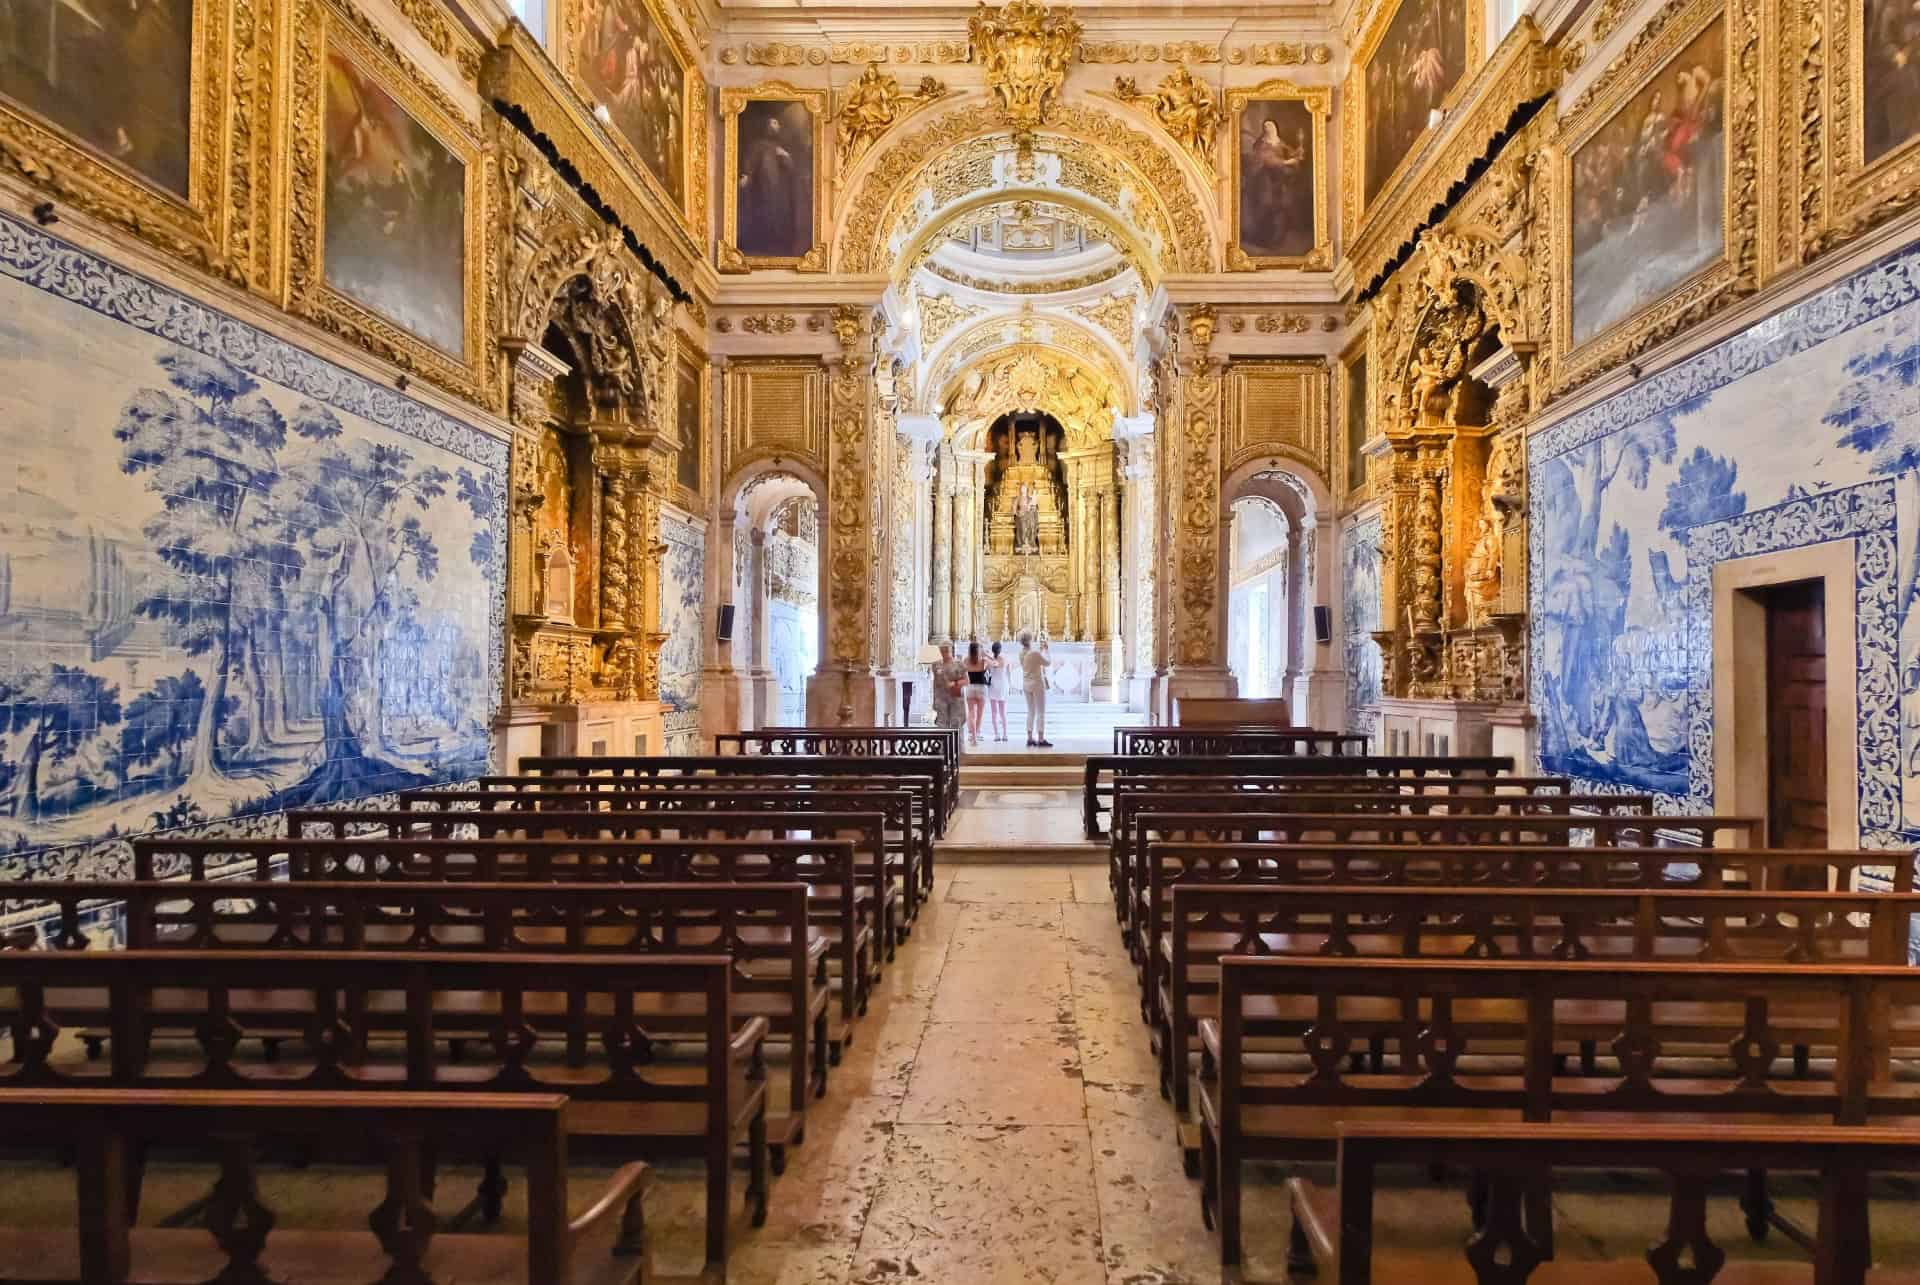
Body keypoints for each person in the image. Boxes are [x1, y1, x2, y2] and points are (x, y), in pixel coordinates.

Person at [1019, 632, 1052, 748]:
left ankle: (1029, 738)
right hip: (1037, 684)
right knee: (1040, 712)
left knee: (1030, 711)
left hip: (1026, 683)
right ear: (1030, 640)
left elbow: (1032, 661)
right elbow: (1047, 662)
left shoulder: (1022, 653)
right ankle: (1041, 738)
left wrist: (1040, 651)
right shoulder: (1034, 653)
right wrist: (1046, 650)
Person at [930, 642, 967, 733]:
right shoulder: (936, 665)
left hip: (955, 698)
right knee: (942, 725)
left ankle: (957, 746)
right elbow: (935, 683)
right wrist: (934, 699)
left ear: (951, 650)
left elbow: (967, 681)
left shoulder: (959, 664)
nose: (945, 652)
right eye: (943, 650)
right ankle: (943, 746)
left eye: (947, 650)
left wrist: (954, 683)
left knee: (956, 724)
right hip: (941, 698)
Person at [963, 640, 989, 747]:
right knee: (980, 714)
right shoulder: (983, 660)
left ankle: (973, 737)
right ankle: (977, 733)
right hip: (981, 688)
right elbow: (995, 664)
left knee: (971, 714)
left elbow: (963, 673)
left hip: (970, 688)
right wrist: (986, 654)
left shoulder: (965, 660)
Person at [985, 640, 1010, 742]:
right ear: (1000, 649)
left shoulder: (990, 660)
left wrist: (986, 656)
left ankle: (996, 734)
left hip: (994, 685)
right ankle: (1005, 734)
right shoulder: (1005, 658)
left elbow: (989, 668)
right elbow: (1009, 672)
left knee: (994, 712)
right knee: (1003, 712)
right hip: (1003, 684)